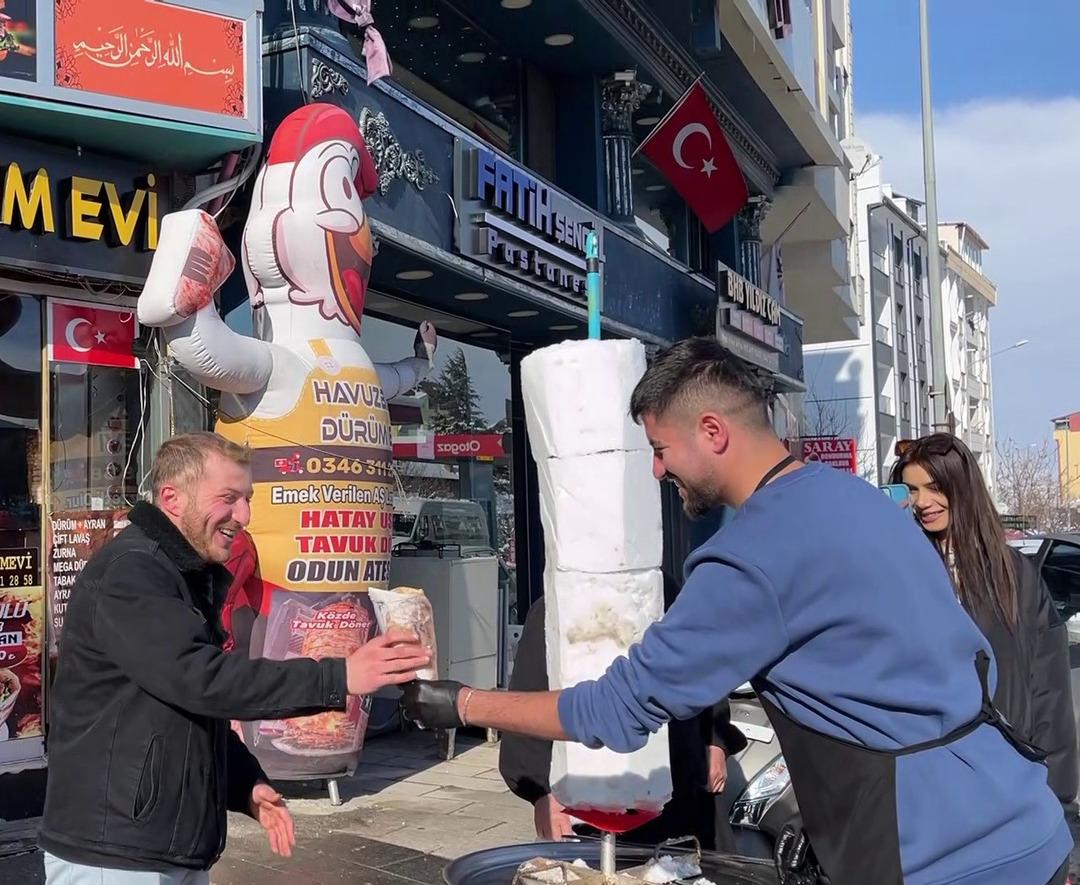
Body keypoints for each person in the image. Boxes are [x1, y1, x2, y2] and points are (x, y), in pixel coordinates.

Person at [402, 337, 1072, 885]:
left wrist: (463, 703)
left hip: (936, 860)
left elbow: (615, 709)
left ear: (713, 432)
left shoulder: (753, 554)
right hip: (1026, 826)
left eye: (661, 450)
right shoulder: (860, 501)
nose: (659, 472)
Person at [40, 433, 430, 884]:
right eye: (229, 498)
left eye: (246, 499)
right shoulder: (133, 571)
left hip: (160, 845)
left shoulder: (181, 572)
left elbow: (183, 709)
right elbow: (199, 680)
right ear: (171, 498)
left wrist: (244, 782)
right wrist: (338, 675)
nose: (242, 516)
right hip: (115, 853)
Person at [892, 433, 1078, 811]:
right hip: (936, 780)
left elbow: (1048, 688)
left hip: (1011, 777)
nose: (922, 502)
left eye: (934, 487)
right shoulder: (906, 572)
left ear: (962, 487)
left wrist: (1056, 791)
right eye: (912, 490)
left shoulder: (1013, 574)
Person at [499, 572, 746, 851]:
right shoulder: (555, 609)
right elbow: (529, 699)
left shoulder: (670, 596)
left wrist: (715, 740)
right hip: (587, 796)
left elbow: (704, 668)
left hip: (679, 785)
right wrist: (541, 790)